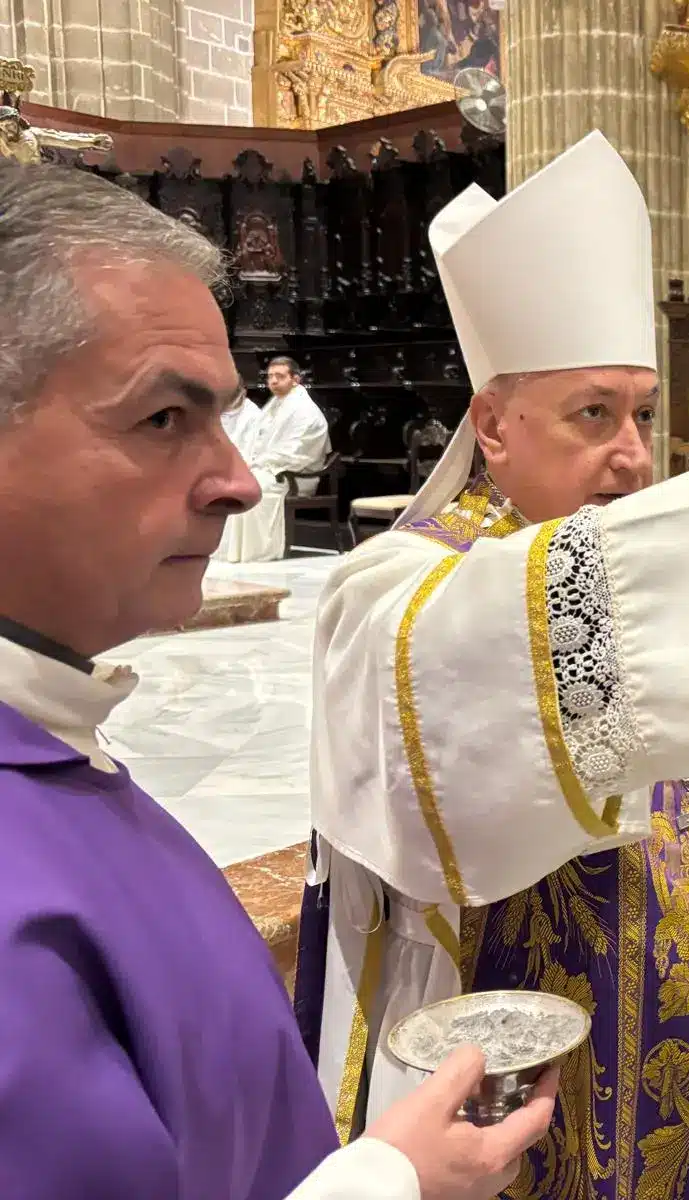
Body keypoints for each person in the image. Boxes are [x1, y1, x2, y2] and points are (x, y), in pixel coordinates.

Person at [295, 131, 689, 1195]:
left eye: (642, 413)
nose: (635, 456)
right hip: (523, 1093)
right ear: (492, 425)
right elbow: (466, 663)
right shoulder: (394, 587)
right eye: (593, 414)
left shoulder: (654, 567)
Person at [0, 164, 564, 1198]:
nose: (236, 481)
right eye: (163, 419)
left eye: (222, 417)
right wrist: (394, 1179)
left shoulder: (51, 742)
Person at [214, 354, 332, 562]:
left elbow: (296, 452)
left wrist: (257, 464)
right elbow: (257, 442)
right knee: (234, 481)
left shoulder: (305, 411)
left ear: (295, 379)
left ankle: (256, 551)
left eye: (280, 376)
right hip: (270, 469)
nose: (273, 381)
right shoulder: (275, 405)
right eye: (270, 377)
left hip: (295, 475)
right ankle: (230, 550)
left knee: (251, 486)